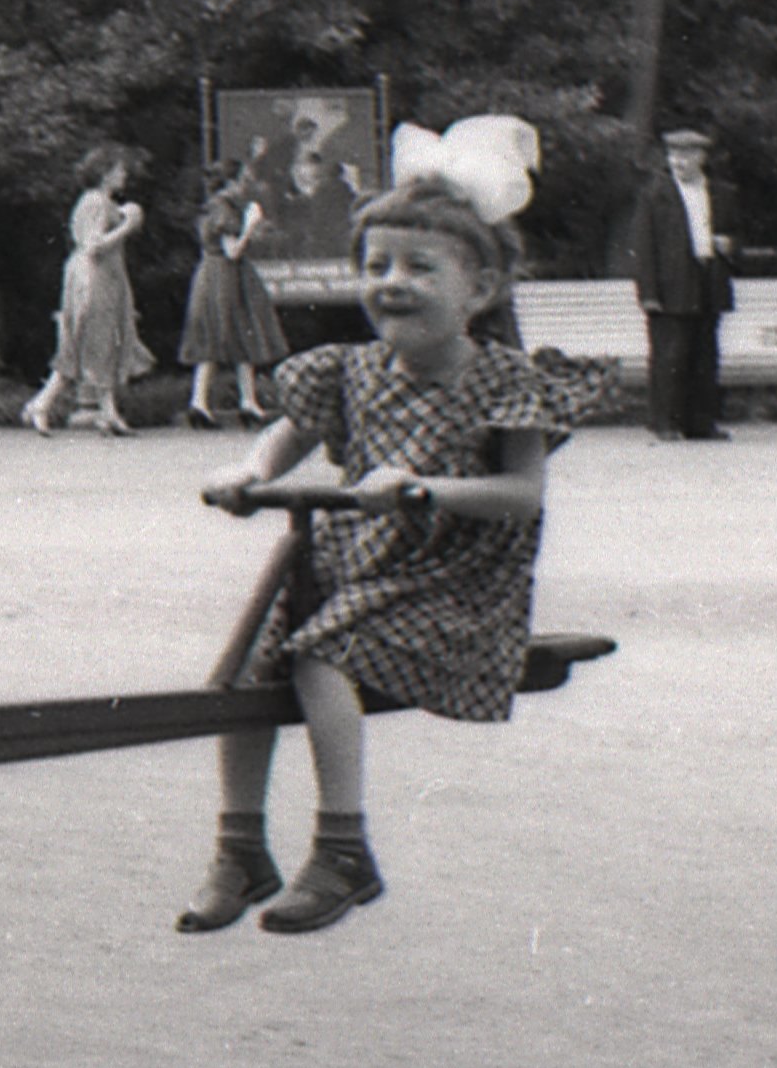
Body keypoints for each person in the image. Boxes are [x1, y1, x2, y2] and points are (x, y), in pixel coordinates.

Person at [181, 117, 592, 937]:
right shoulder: (351, 368)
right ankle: (240, 846)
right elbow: (292, 428)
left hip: (451, 579)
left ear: (478, 291)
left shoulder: (505, 380)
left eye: (418, 267)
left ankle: (342, 847)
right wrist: (253, 474)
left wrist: (425, 490)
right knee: (248, 662)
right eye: (376, 266)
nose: (391, 283)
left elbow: (521, 493)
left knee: (323, 651)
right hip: (354, 563)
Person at [21, 147, 152, 435]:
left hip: (104, 277)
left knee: (102, 343)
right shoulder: (94, 201)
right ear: (104, 173)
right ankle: (42, 404)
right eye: (118, 169)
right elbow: (93, 246)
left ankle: (108, 413)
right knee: (86, 343)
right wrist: (128, 226)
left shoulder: (100, 202)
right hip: (93, 278)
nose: (124, 175)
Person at [623, 123, 735, 440]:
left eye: (685, 156)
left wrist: (729, 245)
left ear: (700, 156)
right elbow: (643, 246)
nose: (678, 162)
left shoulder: (719, 192)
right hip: (670, 283)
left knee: (704, 353)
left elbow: (732, 233)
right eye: (674, 156)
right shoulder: (655, 194)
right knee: (669, 355)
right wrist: (648, 293)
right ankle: (665, 423)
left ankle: (701, 423)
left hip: (708, 275)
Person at [179, 153, 285, 427]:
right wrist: (250, 224)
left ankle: (230, 402)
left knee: (231, 334)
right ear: (231, 181)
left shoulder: (216, 206)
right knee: (227, 333)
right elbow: (233, 250)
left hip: (219, 274)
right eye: (244, 180)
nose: (247, 185)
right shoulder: (224, 207)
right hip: (223, 274)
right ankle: (218, 403)